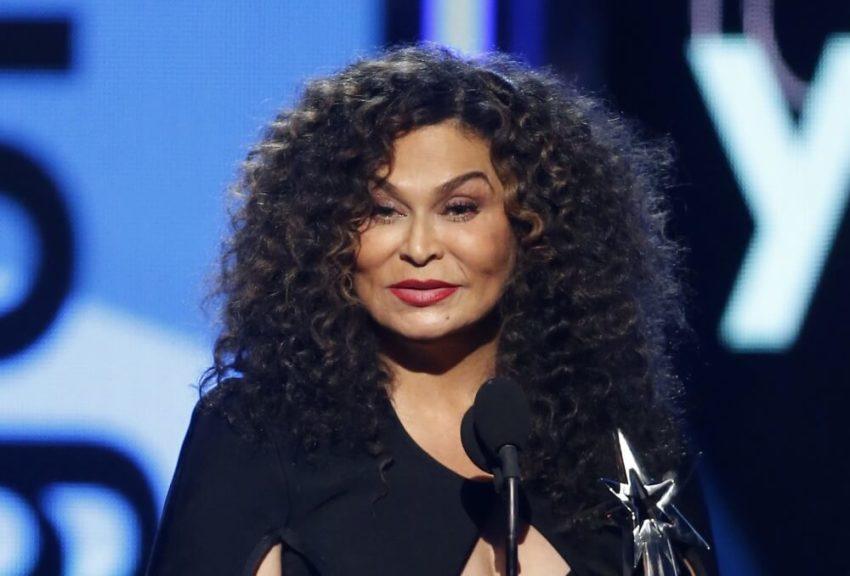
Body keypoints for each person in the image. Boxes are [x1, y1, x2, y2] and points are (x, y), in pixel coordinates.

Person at [146, 45, 714, 575]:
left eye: (460, 208)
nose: (419, 247)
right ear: (328, 236)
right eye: (383, 211)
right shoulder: (257, 437)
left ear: (531, 229)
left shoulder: (627, 442)